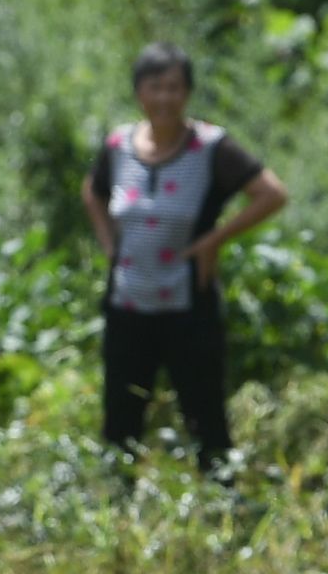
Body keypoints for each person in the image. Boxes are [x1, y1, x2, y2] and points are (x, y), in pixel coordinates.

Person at [85, 42, 288, 467]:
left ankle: (222, 502)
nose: (164, 98)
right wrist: (110, 246)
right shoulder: (119, 145)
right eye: (154, 87)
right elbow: (93, 192)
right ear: (139, 92)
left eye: (174, 88)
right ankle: (115, 503)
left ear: (188, 93)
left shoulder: (211, 148)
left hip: (187, 303)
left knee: (205, 414)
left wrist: (214, 240)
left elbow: (270, 194)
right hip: (127, 301)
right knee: (120, 416)